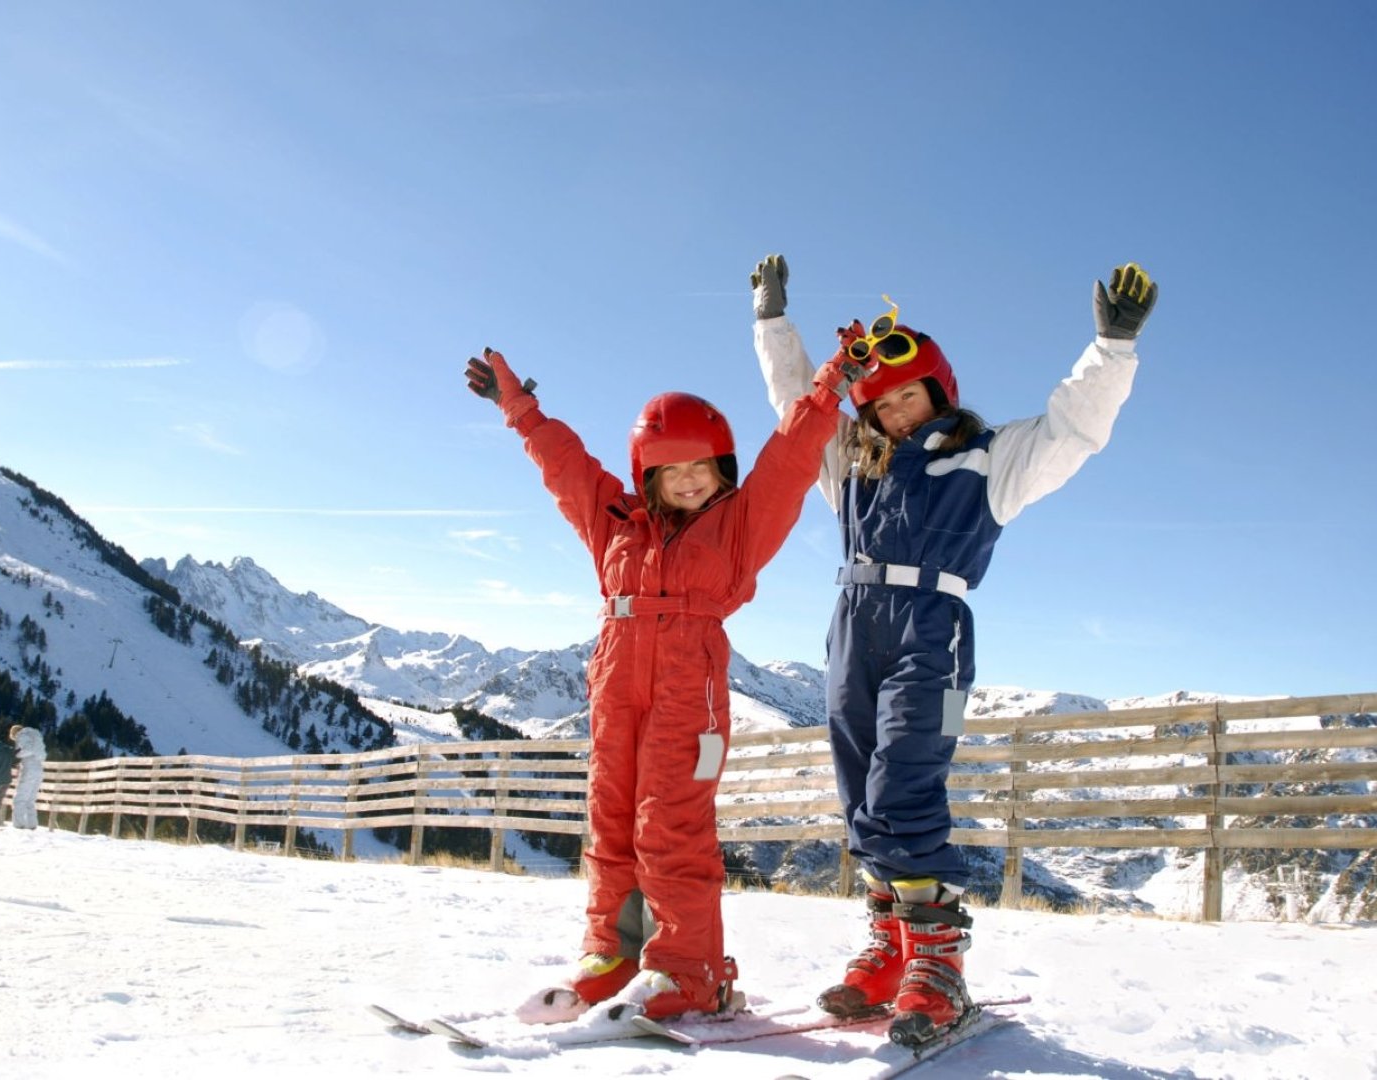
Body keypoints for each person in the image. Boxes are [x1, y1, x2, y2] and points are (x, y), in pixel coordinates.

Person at [750, 255, 1157, 1045]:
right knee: (860, 791)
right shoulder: (850, 463)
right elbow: (794, 399)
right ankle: (890, 947)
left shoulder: (989, 460)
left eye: (908, 394)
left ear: (939, 390)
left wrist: (1112, 349)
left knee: (905, 781)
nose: (896, 412)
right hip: (852, 623)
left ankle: (939, 969)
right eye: (880, 403)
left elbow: (1074, 428)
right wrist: (773, 322)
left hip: (933, 627)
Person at [463, 340, 879, 1020]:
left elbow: (790, 458)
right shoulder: (615, 524)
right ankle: (613, 954)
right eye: (670, 467)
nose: (688, 479)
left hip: (693, 688)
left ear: (722, 469)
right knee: (612, 817)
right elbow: (565, 468)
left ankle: (689, 971)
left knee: (671, 824)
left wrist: (831, 383)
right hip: (616, 677)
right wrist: (518, 408)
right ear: (645, 474)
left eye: (703, 465)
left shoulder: (740, 524)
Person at [9, 724, 47, 829]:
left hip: (29, 768)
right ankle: (32, 824)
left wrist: (16, 754)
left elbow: (28, 750)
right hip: (39, 768)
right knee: (30, 799)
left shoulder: (22, 735)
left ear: (14, 733)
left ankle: (19, 824)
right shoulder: (35, 736)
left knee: (20, 798)